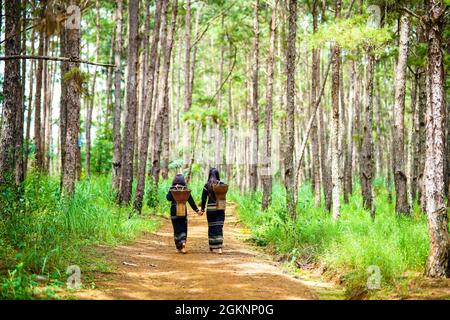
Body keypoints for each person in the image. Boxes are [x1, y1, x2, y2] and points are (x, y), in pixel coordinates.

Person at [166, 173, 200, 253]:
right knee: (183, 227)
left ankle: (178, 247)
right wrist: (197, 210)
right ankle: (183, 243)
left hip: (174, 210)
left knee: (176, 229)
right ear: (183, 181)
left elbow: (168, 198)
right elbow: (191, 201)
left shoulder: (172, 189)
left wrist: (171, 189)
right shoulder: (185, 189)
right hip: (183, 210)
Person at [200, 168, 226, 254]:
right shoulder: (222, 184)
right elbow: (223, 196)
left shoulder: (206, 185)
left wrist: (202, 209)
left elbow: (203, 199)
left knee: (211, 227)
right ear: (217, 175)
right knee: (219, 227)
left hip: (210, 209)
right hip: (220, 208)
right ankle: (219, 248)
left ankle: (212, 247)